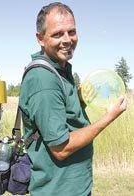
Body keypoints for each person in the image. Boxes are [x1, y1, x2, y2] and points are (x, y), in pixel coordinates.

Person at [19, 2, 127, 196]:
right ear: (40, 38)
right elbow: (61, 148)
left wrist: (80, 100)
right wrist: (108, 118)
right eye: (57, 34)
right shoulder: (43, 80)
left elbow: (61, 115)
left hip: (72, 188)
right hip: (58, 191)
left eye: (72, 31)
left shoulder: (59, 69)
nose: (67, 39)